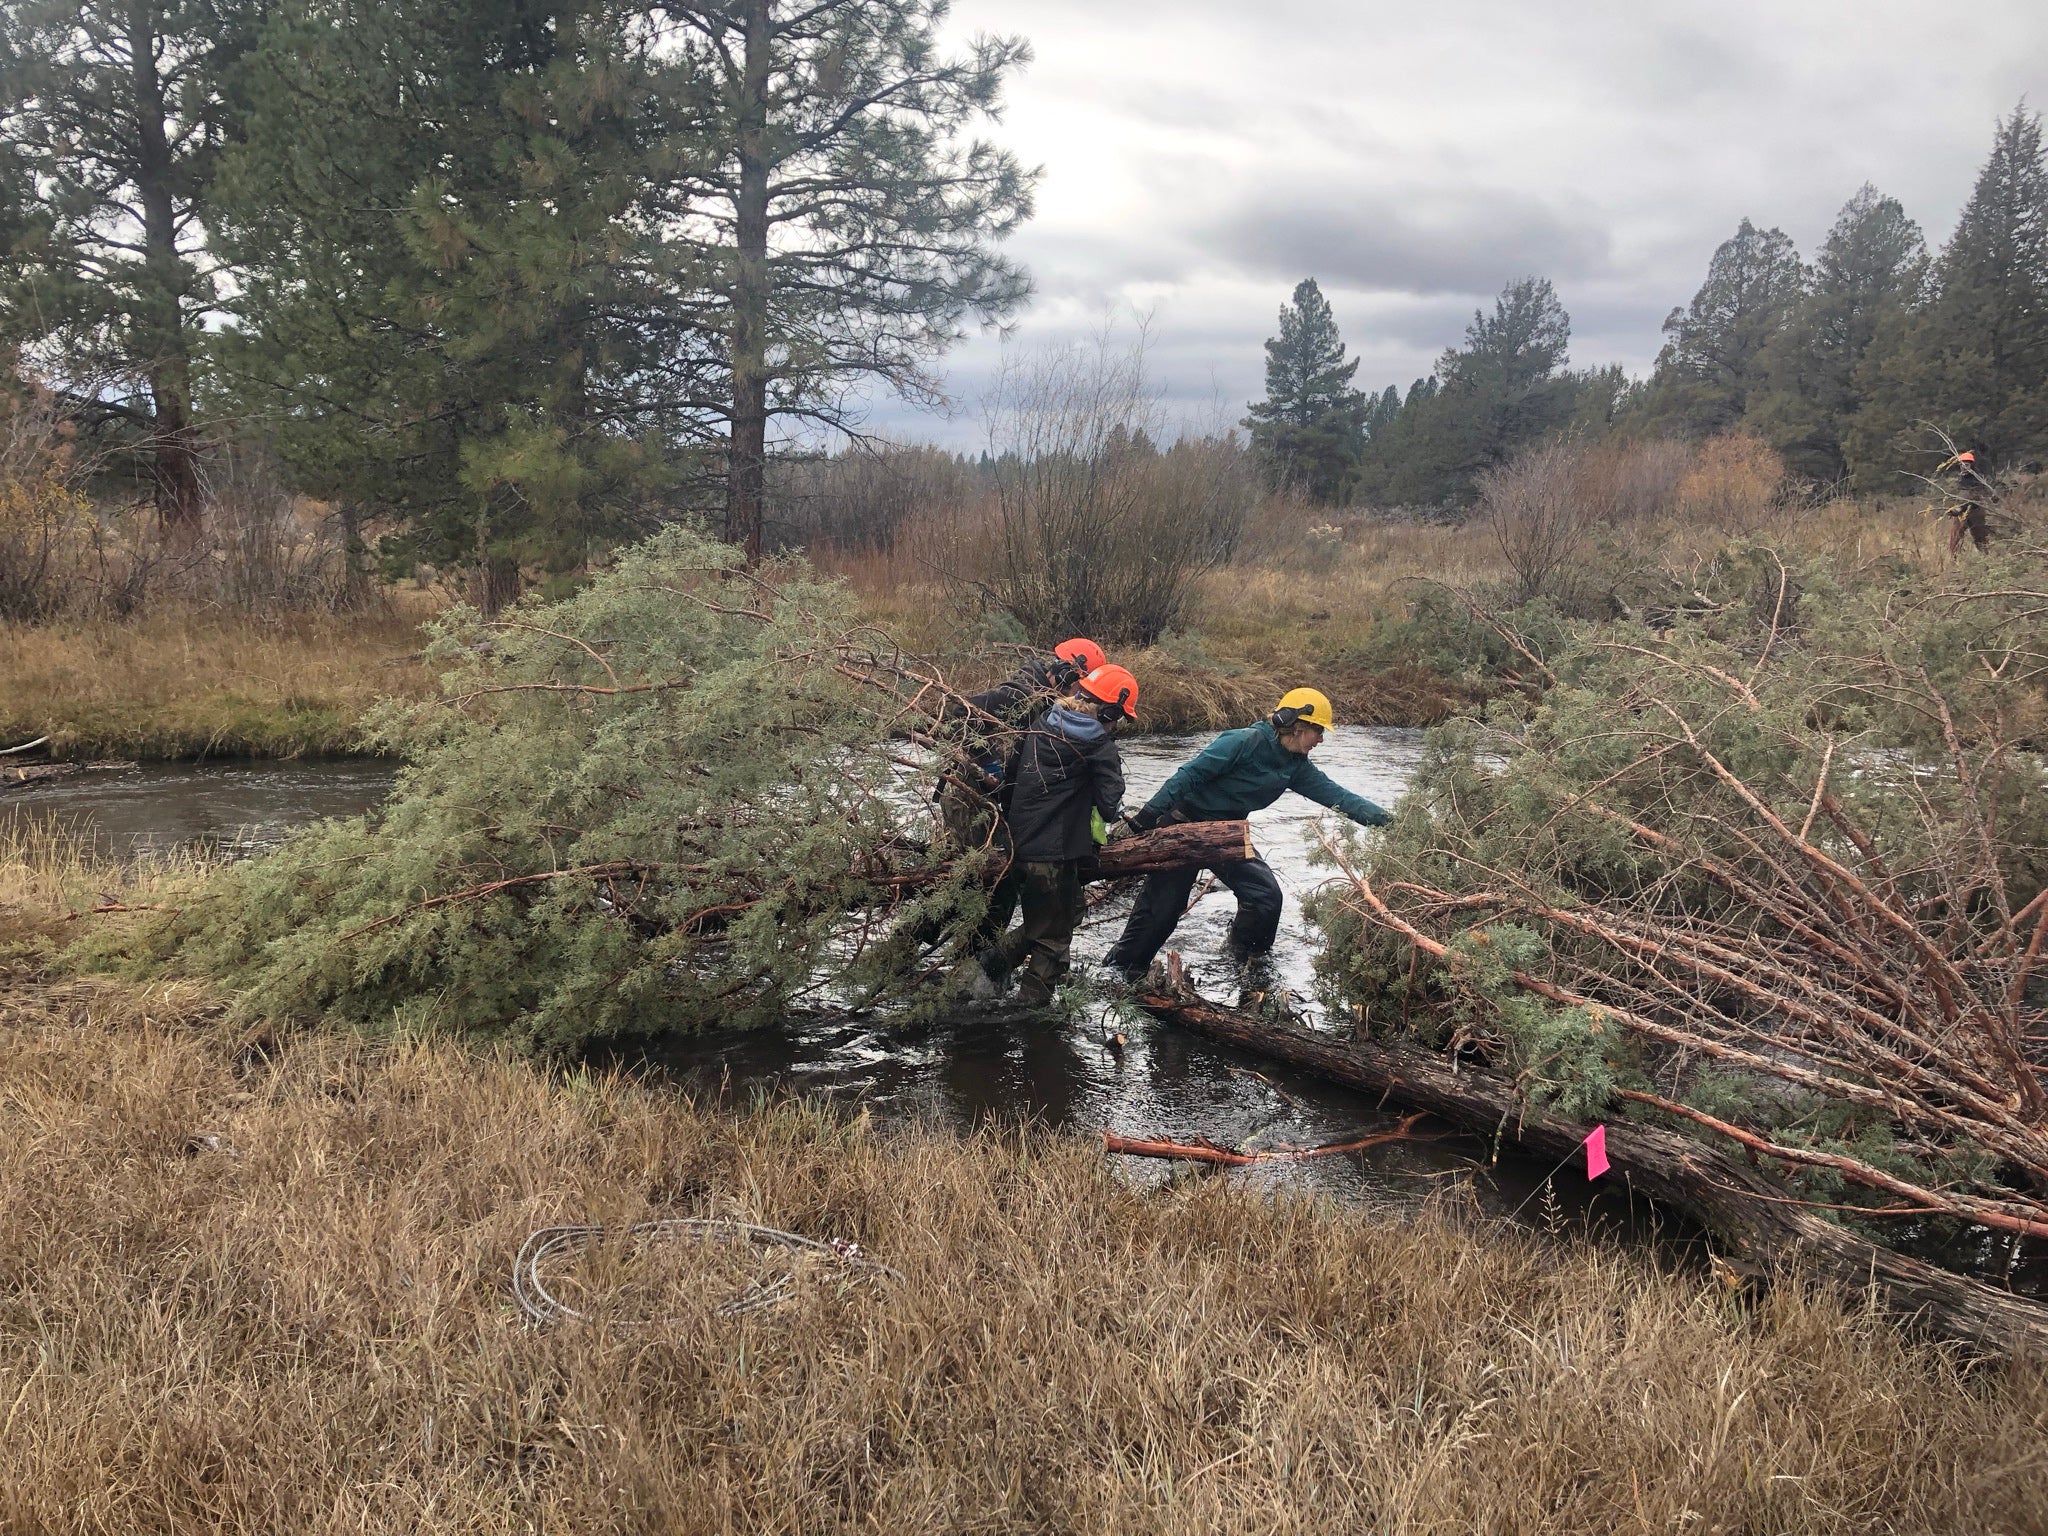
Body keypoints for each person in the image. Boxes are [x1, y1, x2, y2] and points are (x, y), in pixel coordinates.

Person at [1101, 687, 1390, 986]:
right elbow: (1190, 774)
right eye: (1318, 730)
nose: (1321, 739)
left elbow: (1340, 797)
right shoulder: (1243, 741)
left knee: (1265, 897)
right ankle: (1118, 972)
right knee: (1161, 911)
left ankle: (1244, 965)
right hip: (1183, 826)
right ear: (1296, 724)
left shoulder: (1296, 767)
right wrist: (1149, 815)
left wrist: (1392, 823)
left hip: (1228, 835)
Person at [928, 638, 1108, 967]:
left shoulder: (1046, 698)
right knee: (990, 882)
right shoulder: (1019, 692)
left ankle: (972, 965)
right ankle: (954, 956)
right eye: (1079, 686)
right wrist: (987, 764)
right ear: (1068, 671)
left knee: (998, 884)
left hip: (990, 801)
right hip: (969, 799)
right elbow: (958, 717)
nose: (1080, 696)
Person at [976, 664, 1138, 1006]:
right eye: (1118, 717)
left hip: (1018, 846)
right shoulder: (1098, 745)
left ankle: (984, 976)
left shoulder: (1041, 724)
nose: (1116, 725)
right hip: (1054, 856)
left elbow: (1009, 782)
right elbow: (1110, 806)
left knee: (1067, 911)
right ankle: (1031, 1014)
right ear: (1108, 710)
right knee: (1053, 940)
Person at [1943, 451, 1995, 556]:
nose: (1963, 467)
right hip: (1961, 512)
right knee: (1955, 539)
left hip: (1976, 512)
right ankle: (1953, 561)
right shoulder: (1960, 478)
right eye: (1961, 465)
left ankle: (1986, 560)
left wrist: (1960, 509)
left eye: (1966, 465)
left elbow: (1975, 499)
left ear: (1972, 465)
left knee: (1980, 539)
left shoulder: (1978, 478)